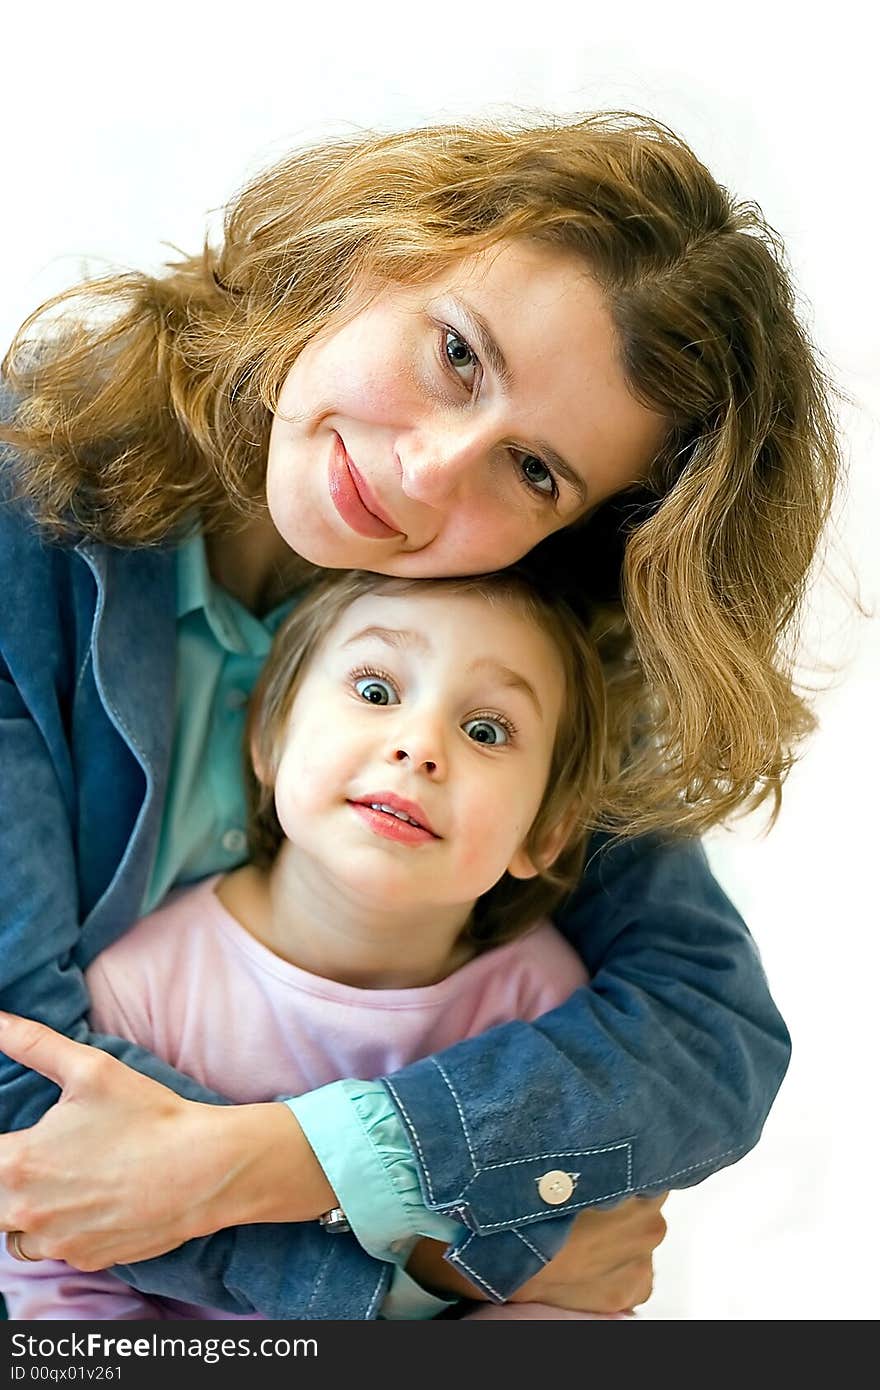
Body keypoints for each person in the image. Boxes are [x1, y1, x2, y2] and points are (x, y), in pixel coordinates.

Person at [0, 111, 837, 1318]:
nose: (432, 470)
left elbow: (704, 1034)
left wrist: (294, 1162)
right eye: (457, 353)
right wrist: (416, 1279)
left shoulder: (510, 654)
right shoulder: (26, 513)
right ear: (369, 250)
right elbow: (24, 1109)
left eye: (535, 470)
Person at [0, 565, 667, 1319]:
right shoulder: (140, 990)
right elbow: (63, 1273)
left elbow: (578, 1276)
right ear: (267, 736)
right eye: (377, 691)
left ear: (546, 832)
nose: (419, 747)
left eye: (486, 730)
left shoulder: (547, 1005)